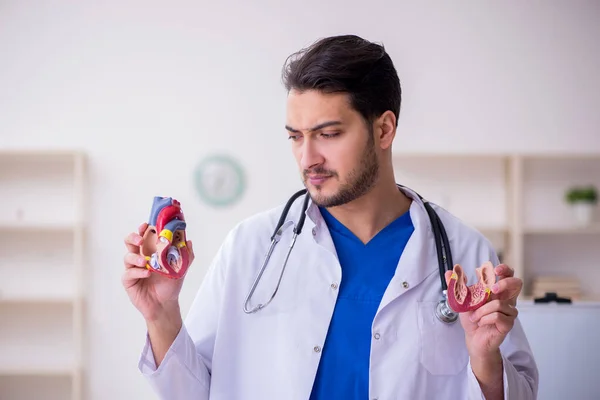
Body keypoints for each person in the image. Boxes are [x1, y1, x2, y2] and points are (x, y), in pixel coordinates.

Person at [122, 34, 539, 399]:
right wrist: (160, 316)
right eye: (295, 137)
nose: (308, 158)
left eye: (328, 134)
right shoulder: (251, 247)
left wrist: (485, 360)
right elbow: (193, 394)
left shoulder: (463, 253)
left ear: (384, 130)